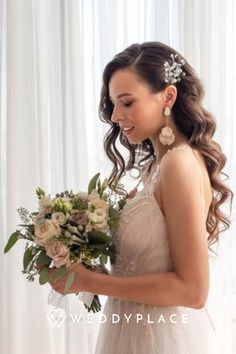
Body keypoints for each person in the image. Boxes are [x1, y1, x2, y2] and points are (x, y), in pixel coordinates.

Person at [49, 42, 233, 353]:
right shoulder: (156, 167)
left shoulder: (178, 164)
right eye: (112, 104)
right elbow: (147, 268)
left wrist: (91, 283)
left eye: (127, 102)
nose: (116, 116)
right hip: (132, 329)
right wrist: (89, 270)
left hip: (162, 339)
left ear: (168, 96)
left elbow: (193, 291)